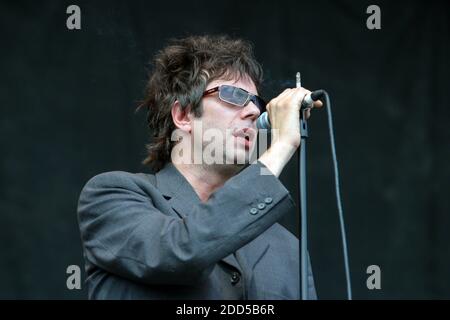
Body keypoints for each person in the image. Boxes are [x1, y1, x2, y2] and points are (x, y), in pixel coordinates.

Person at [77, 35, 322, 300]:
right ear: (183, 115)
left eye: (256, 102)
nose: (253, 111)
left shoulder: (289, 250)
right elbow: (181, 251)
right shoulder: (111, 196)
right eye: (234, 95)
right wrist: (281, 145)